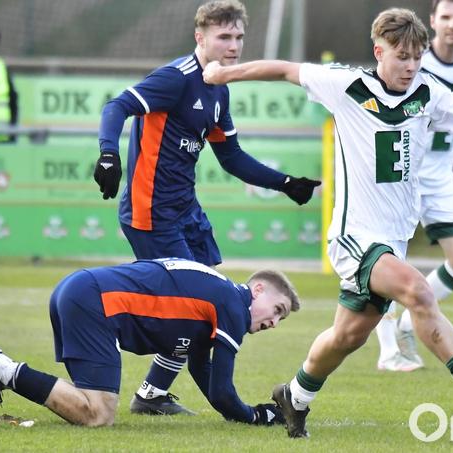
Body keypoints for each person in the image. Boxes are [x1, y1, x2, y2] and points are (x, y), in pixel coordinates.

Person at [203, 7, 453, 438]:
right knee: (419, 292)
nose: (410, 65)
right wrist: (225, 74)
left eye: (417, 56)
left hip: (394, 240)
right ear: (379, 51)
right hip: (355, 237)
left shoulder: (430, 91)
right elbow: (282, 68)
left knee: (346, 337)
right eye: (401, 55)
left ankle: (293, 397)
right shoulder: (347, 84)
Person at [93, 0, 320, 416]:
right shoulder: (177, 79)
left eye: (238, 37)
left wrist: (285, 183)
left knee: (208, 299)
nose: (233, 46)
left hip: (187, 212)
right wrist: (109, 153)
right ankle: (172, 398)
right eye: (224, 37)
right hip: (151, 214)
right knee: (199, 308)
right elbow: (116, 107)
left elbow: (231, 158)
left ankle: (153, 394)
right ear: (200, 37)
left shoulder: (220, 88)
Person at [0, 258, 299, 427]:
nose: (273, 322)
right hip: (96, 302)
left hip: (80, 290)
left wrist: (242, 414)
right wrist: (256, 417)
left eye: (281, 320)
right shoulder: (234, 307)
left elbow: (202, 369)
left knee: (90, 406)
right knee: (99, 414)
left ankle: (4, 371)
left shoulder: (222, 296)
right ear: (257, 291)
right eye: (277, 310)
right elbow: (223, 392)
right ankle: (3, 369)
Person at [374, 0, 453, 372]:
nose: (452, 24)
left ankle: (408, 321)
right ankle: (389, 350)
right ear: (432, 21)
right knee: (389, 262)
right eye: (445, 17)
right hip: (406, 168)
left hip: (441, 173)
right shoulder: (414, 60)